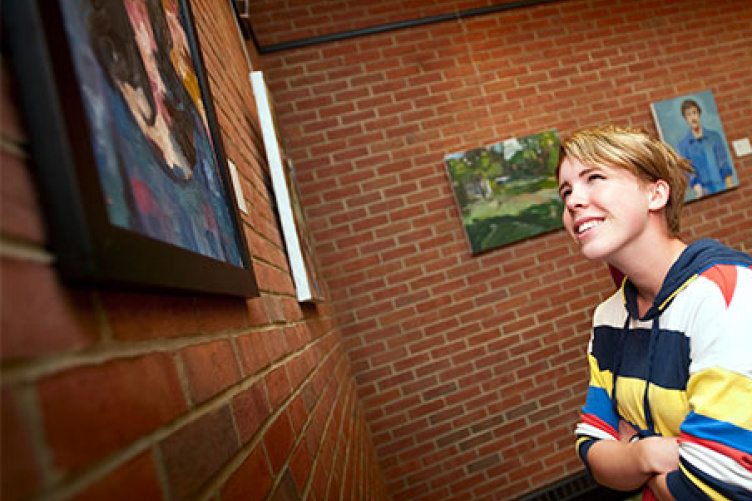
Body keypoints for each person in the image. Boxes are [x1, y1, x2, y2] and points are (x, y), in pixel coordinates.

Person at [556, 125, 752, 501]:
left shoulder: (727, 293)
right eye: (566, 191)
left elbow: (716, 486)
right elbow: (592, 447)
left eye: (593, 177)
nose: (573, 201)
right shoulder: (608, 318)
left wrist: (630, 454)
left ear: (655, 193)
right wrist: (648, 453)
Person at [677, 99, 735, 198]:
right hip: (702, 190)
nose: (692, 118)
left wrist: (729, 185)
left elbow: (723, 162)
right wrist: (698, 188)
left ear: (699, 114)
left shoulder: (714, 137)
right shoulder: (683, 145)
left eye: (694, 113)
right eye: (689, 115)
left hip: (720, 185)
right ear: (685, 118)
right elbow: (689, 171)